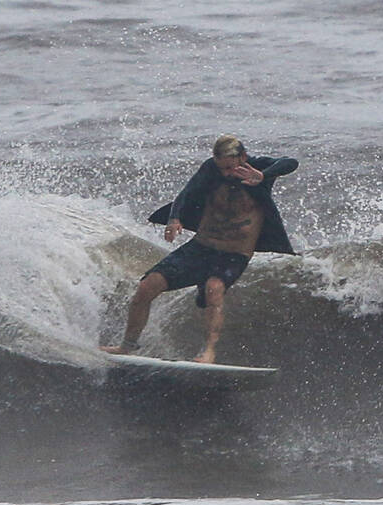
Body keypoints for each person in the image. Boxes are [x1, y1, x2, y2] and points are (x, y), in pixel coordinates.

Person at [101, 135, 298, 363]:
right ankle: (126, 346)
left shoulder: (258, 169)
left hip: (234, 254)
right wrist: (174, 218)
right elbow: (186, 194)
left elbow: (291, 162)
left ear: (243, 157)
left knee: (213, 289)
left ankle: (209, 352)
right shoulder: (211, 169)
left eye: (230, 167)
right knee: (147, 286)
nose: (225, 173)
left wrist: (263, 175)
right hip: (200, 248)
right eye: (221, 168)